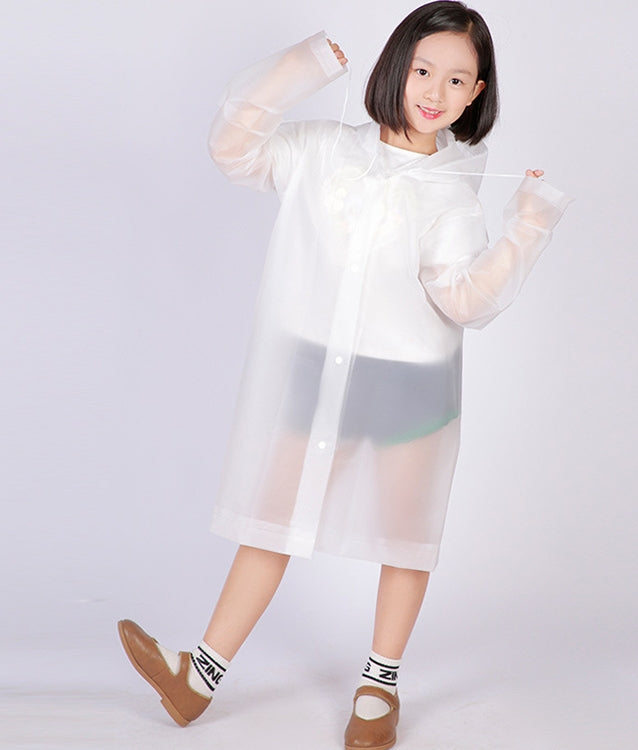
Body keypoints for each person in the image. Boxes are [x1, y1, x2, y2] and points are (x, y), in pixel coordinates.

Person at [117, 2, 572, 748]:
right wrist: (304, 66)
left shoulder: (452, 192)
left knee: (404, 536)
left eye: (456, 80)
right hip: (314, 366)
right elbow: (233, 146)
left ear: (476, 94)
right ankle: (197, 677)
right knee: (270, 522)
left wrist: (528, 223)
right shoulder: (322, 150)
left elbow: (465, 300)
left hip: (408, 383)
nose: (434, 91)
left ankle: (379, 686)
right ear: (396, 66)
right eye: (423, 69)